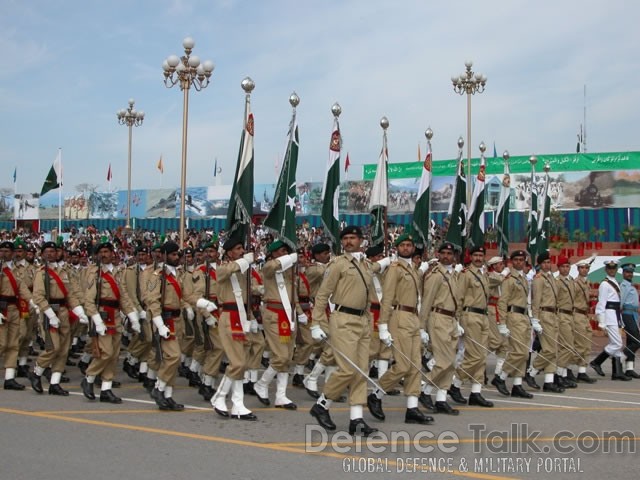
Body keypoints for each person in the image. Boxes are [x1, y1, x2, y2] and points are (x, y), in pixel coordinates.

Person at [309, 225, 378, 436]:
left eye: (353, 238)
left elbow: (369, 296)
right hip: (343, 319)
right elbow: (322, 295)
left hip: (362, 320)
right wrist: (316, 323)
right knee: (348, 369)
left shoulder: (366, 265)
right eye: (345, 238)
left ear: (361, 241)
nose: (349, 241)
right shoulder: (338, 264)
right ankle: (322, 404)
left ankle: (356, 418)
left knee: (361, 371)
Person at [366, 233, 433, 425]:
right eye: (402, 245)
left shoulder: (413, 268)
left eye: (409, 245)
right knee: (403, 365)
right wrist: (383, 325)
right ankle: (376, 395)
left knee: (415, 365)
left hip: (412, 317)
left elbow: (419, 299)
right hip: (399, 316)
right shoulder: (394, 268)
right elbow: (387, 298)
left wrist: (421, 325)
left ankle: (412, 408)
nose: (406, 248)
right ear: (397, 248)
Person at [80, 240, 139, 403]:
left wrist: (132, 316)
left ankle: (106, 389)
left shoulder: (118, 272)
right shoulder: (94, 272)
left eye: (107, 252)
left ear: (113, 254)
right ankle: (89, 377)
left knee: (113, 355)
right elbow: (89, 300)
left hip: (116, 316)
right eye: (101, 252)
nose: (104, 255)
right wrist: (96, 320)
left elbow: (124, 296)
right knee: (104, 352)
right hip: (102, 315)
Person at [30, 241, 88, 396]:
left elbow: (70, 294)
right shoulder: (41, 272)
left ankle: (55, 382)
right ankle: (36, 372)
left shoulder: (64, 272)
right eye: (46, 251)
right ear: (42, 254)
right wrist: (50, 314)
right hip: (49, 312)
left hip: (63, 311)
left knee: (63, 349)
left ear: (57, 253)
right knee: (53, 347)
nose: (50, 254)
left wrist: (80, 312)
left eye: (52, 251)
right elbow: (38, 296)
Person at [209, 235, 257, 420]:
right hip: (229, 317)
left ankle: (238, 404)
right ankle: (219, 397)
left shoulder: (243, 271)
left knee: (240, 363)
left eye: (242, 249)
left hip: (242, 316)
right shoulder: (223, 268)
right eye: (237, 249)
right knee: (238, 363)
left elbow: (247, 294)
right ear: (229, 253)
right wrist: (245, 260)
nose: (241, 252)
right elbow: (229, 270)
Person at [418, 242, 465, 415]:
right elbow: (427, 301)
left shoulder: (453, 275)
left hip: (451, 320)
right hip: (438, 318)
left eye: (449, 253)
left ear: (454, 256)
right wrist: (422, 327)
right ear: (438, 254)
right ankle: (424, 389)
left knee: (451, 363)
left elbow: (457, 301)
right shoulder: (436, 275)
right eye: (443, 253)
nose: (446, 256)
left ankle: (441, 399)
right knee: (444, 361)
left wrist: (457, 321)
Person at [253, 240, 298, 410]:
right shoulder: (269, 267)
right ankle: (261, 383)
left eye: (285, 251)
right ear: (272, 254)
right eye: (280, 251)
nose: (284, 254)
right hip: (274, 314)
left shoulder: (289, 271)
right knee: (281, 356)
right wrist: (290, 257)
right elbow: (270, 267)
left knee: (287, 357)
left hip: (289, 315)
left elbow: (293, 295)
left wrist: (299, 313)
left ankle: (281, 396)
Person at [145, 241, 189, 410]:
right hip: (165, 320)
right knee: (174, 356)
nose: (176, 257)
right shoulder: (157, 276)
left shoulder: (178, 275)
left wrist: (197, 304)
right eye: (173, 254)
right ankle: (158, 388)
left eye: (178, 254)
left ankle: (168, 395)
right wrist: (159, 324)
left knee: (173, 361)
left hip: (178, 321)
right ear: (164, 256)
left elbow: (183, 297)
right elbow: (152, 301)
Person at [451, 245, 494, 407]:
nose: (478, 258)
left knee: (482, 356)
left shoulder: (484, 274)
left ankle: (476, 392)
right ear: (471, 257)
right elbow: (459, 298)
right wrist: (457, 319)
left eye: (480, 255)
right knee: (474, 355)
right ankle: (455, 383)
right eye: (475, 255)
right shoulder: (466, 275)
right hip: (470, 316)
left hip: (483, 316)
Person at [494, 250, 534, 399]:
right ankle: (501, 377)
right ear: (511, 262)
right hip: (514, 316)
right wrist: (502, 323)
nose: (519, 262)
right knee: (520, 352)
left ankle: (517, 384)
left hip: (523, 317)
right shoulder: (509, 279)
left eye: (521, 260)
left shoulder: (523, 278)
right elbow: (502, 301)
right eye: (516, 260)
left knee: (524, 353)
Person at [526, 252, 564, 393]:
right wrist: (535, 319)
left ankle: (549, 381)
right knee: (549, 350)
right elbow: (536, 300)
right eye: (545, 263)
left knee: (553, 350)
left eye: (549, 262)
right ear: (540, 264)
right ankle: (531, 372)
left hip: (553, 314)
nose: (547, 264)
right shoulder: (539, 279)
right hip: (544, 314)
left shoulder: (551, 278)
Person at [590, 260, 630, 380]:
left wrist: (620, 318)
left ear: (616, 269)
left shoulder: (614, 282)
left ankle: (617, 372)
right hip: (609, 315)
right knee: (617, 343)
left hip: (615, 314)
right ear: (605, 269)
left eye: (614, 268)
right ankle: (596, 362)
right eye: (609, 268)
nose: (612, 270)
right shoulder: (604, 284)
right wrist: (601, 320)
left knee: (616, 343)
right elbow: (601, 303)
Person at [486, 256, 511, 392]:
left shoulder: (502, 276)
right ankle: (475, 363)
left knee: (504, 345)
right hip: (491, 309)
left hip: (500, 310)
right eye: (500, 264)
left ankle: (498, 375)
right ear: (494, 266)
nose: (503, 266)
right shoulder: (490, 276)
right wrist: (504, 273)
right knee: (494, 342)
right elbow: (498, 280)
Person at [572, 258, 597, 383]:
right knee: (579, 344)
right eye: (582, 268)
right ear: (578, 269)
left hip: (584, 315)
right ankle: (565, 370)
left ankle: (582, 372)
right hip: (576, 315)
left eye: (586, 268)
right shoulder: (575, 283)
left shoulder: (587, 283)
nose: (584, 270)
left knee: (587, 344)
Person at [620, 263, 640, 378]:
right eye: (627, 272)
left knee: (630, 341)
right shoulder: (624, 286)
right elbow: (621, 301)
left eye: (631, 272)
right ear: (623, 273)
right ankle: (621, 357)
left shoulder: (630, 285)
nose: (629, 274)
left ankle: (629, 368)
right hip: (627, 314)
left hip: (633, 315)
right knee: (637, 341)